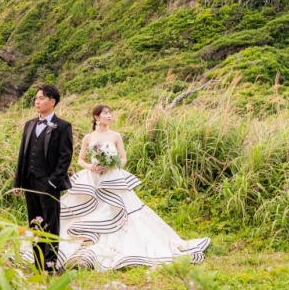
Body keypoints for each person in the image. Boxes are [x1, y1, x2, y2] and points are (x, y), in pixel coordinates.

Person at [57, 104, 209, 270]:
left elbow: (123, 158)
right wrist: (91, 167)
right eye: (106, 113)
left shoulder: (115, 135)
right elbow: (80, 160)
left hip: (113, 177)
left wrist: (112, 165)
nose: (109, 116)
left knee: (122, 211)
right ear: (96, 117)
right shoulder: (88, 137)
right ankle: (86, 244)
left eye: (110, 113)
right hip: (93, 178)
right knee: (88, 212)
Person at [13, 84, 74, 272]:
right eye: (36, 98)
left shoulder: (63, 126)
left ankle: (50, 265)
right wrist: (18, 182)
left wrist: (52, 181)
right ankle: (38, 263)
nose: (37, 101)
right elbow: (23, 154)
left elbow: (65, 157)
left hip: (48, 183)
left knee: (50, 223)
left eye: (41, 98)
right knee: (34, 222)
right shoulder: (29, 124)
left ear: (52, 101)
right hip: (30, 181)